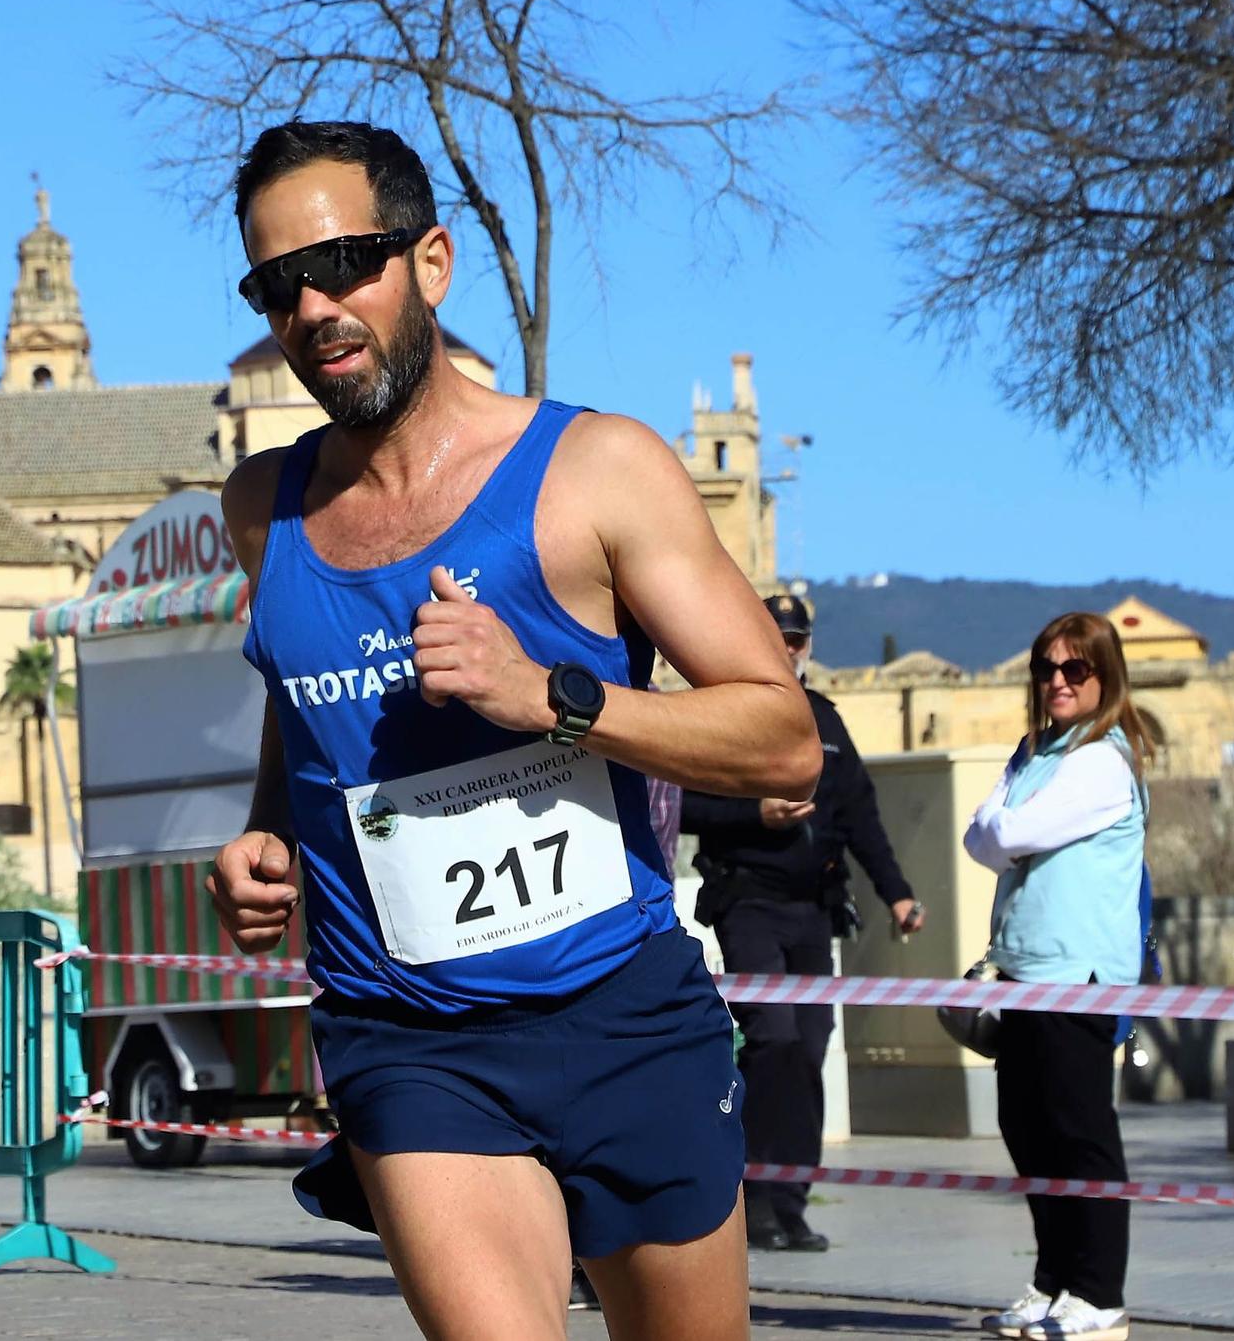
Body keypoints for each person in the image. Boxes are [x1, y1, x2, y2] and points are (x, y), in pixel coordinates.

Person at [208, 119, 821, 1340]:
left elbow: (780, 741)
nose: (315, 307)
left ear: (430, 262)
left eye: (346, 265)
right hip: (404, 1034)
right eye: (279, 285)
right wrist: (266, 837)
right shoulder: (260, 510)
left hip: (620, 1014)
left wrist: (550, 695)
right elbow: (301, 699)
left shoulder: (595, 470)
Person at [682, 593, 925, 1253]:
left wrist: (898, 894)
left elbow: (861, 817)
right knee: (774, 1040)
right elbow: (680, 802)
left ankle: (790, 1201)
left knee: (810, 1047)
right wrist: (751, 815)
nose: (787, 648)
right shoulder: (723, 710)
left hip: (814, 909)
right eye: (775, 637)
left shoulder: (827, 722)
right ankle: (753, 1196)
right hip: (749, 903)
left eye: (796, 639)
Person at [963, 612, 1151, 1341]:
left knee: (1080, 1132)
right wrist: (1003, 829)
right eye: (1047, 667)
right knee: (1027, 1127)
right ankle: (1053, 1280)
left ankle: (1098, 1292)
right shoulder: (1037, 749)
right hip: (1022, 967)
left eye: (1077, 669)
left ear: (1105, 676)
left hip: (1081, 972)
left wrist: (1004, 829)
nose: (1059, 681)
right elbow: (982, 835)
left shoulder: (1104, 759)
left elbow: (1004, 832)